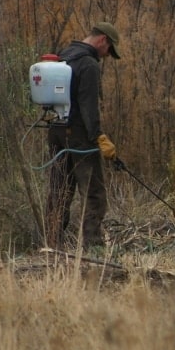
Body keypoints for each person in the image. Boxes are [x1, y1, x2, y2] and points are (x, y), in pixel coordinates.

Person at [44, 22, 121, 249]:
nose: (107, 55)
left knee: (60, 189)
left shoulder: (64, 54)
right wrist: (98, 136)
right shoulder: (88, 64)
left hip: (55, 129)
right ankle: (93, 247)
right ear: (102, 40)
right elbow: (89, 107)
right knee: (94, 192)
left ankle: (52, 244)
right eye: (108, 50)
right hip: (79, 135)